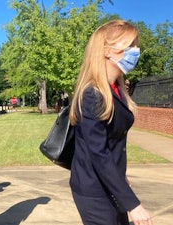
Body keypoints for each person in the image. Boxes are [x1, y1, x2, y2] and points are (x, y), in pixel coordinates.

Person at [68, 20, 153, 225]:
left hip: (111, 183)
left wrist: (120, 180)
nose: (136, 51)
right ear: (107, 50)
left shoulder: (116, 90)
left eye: (136, 45)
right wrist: (132, 204)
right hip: (93, 189)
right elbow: (98, 153)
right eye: (130, 45)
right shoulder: (92, 94)